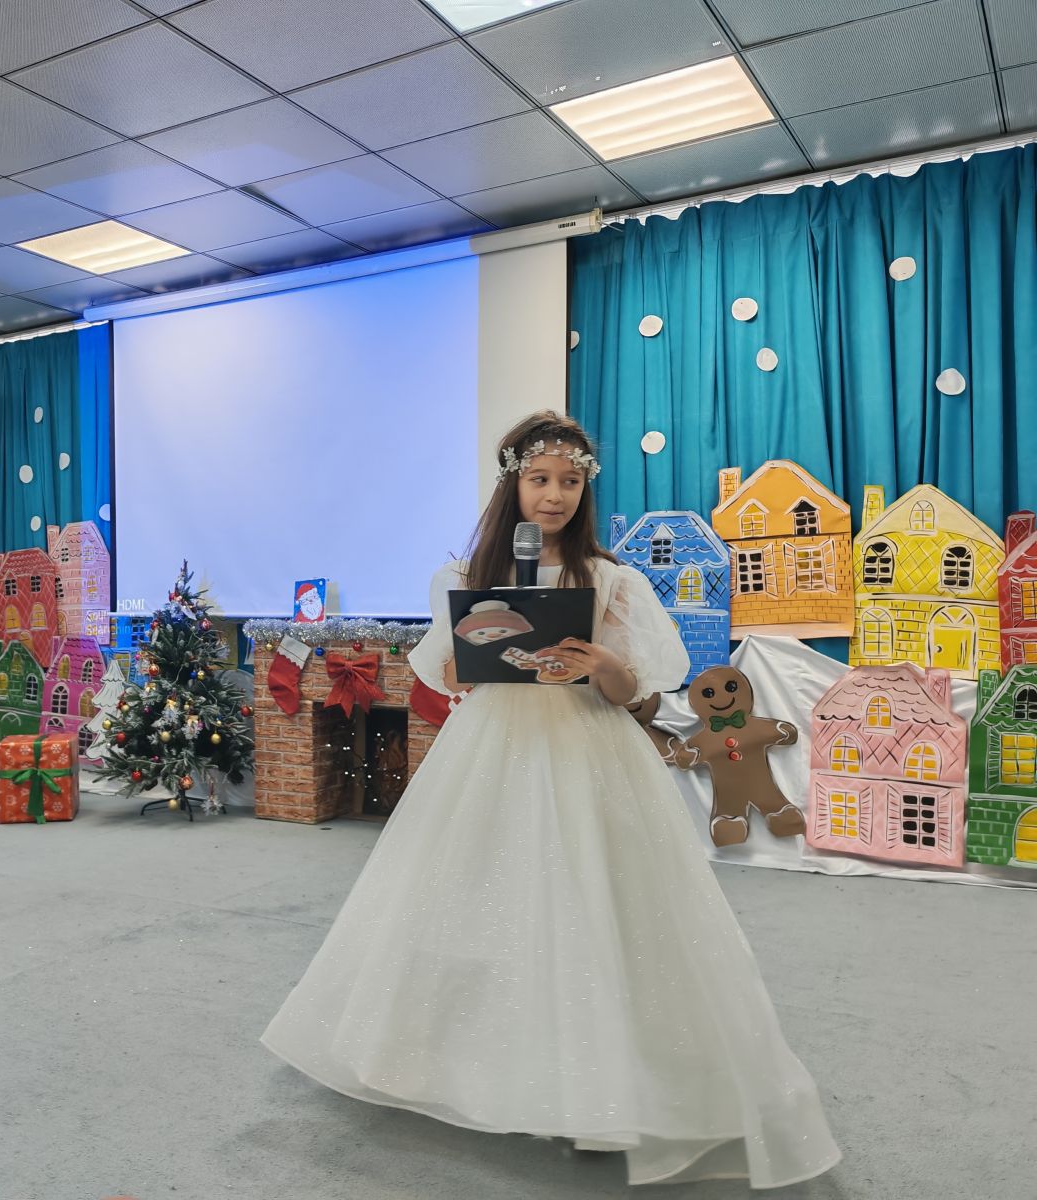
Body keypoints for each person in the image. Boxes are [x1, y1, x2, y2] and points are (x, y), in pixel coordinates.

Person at [261, 412, 841, 1189]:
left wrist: (601, 663)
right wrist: (481, 651)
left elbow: (633, 691)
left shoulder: (610, 578)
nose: (555, 495)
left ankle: (601, 1084)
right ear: (514, 484)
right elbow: (445, 674)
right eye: (540, 479)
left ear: (584, 490)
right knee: (474, 892)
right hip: (494, 744)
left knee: (592, 899)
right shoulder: (467, 575)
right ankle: (457, 1057)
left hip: (584, 744)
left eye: (570, 481)